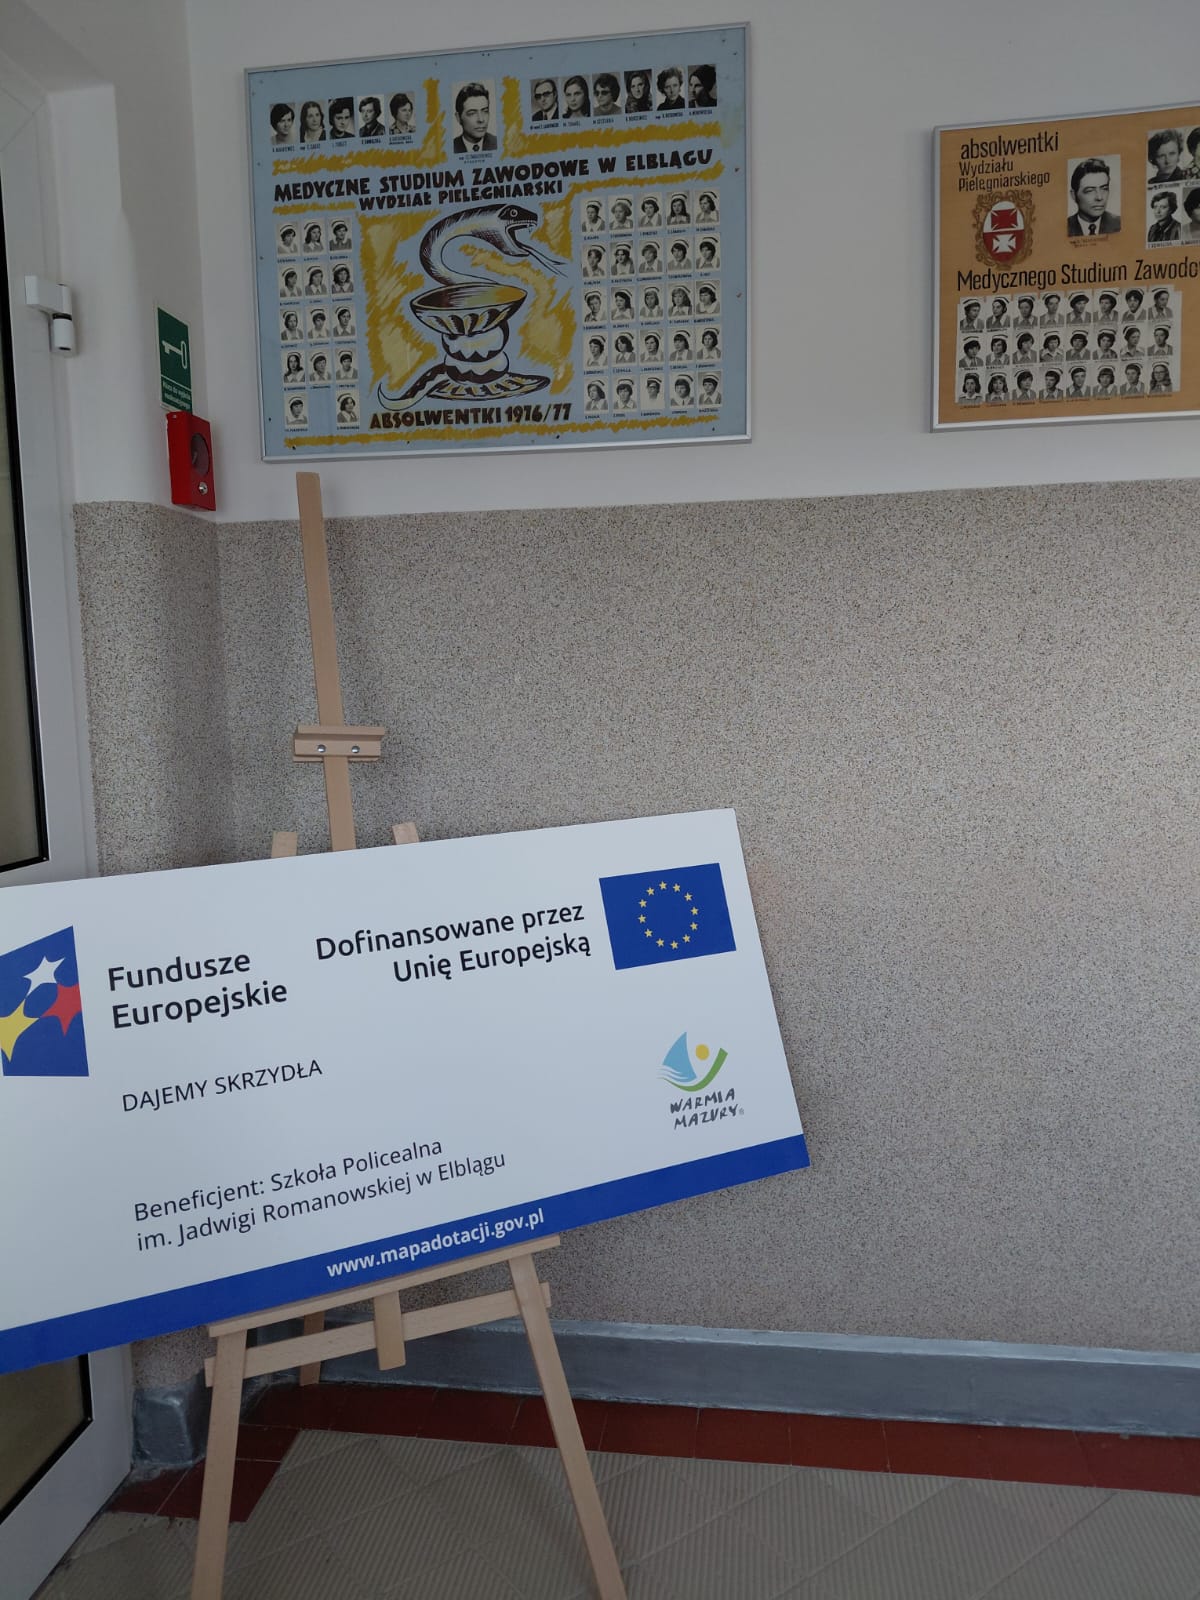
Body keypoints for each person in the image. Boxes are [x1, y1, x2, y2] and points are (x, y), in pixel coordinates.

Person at [1068, 158, 1120, 235]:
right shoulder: (1063, 227)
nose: (1099, 197)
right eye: (1090, 191)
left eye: (1104, 189)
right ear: (1073, 195)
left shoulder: (1120, 224)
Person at [453, 83, 496, 153]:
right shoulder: (450, 148)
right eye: (472, 113)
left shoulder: (499, 143)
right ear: (458, 118)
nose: (481, 119)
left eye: (485, 111)